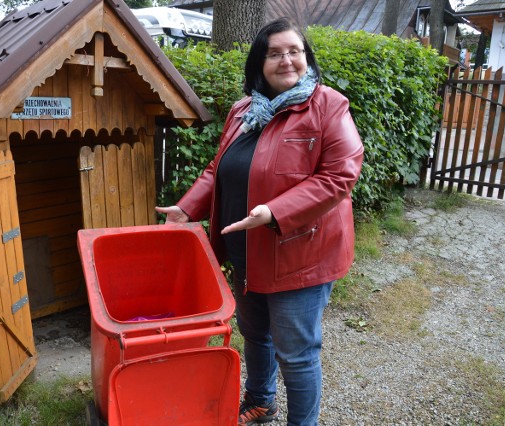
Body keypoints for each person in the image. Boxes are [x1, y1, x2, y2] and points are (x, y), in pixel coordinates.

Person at [156, 17, 364, 426]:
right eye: (275, 53)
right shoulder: (243, 111)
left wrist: (275, 212)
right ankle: (261, 400)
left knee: (296, 353)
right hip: (246, 249)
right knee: (255, 335)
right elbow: (220, 168)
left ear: (307, 57)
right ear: (259, 63)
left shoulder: (328, 105)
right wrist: (187, 208)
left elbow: (340, 175)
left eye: (294, 51)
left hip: (300, 255)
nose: (286, 60)